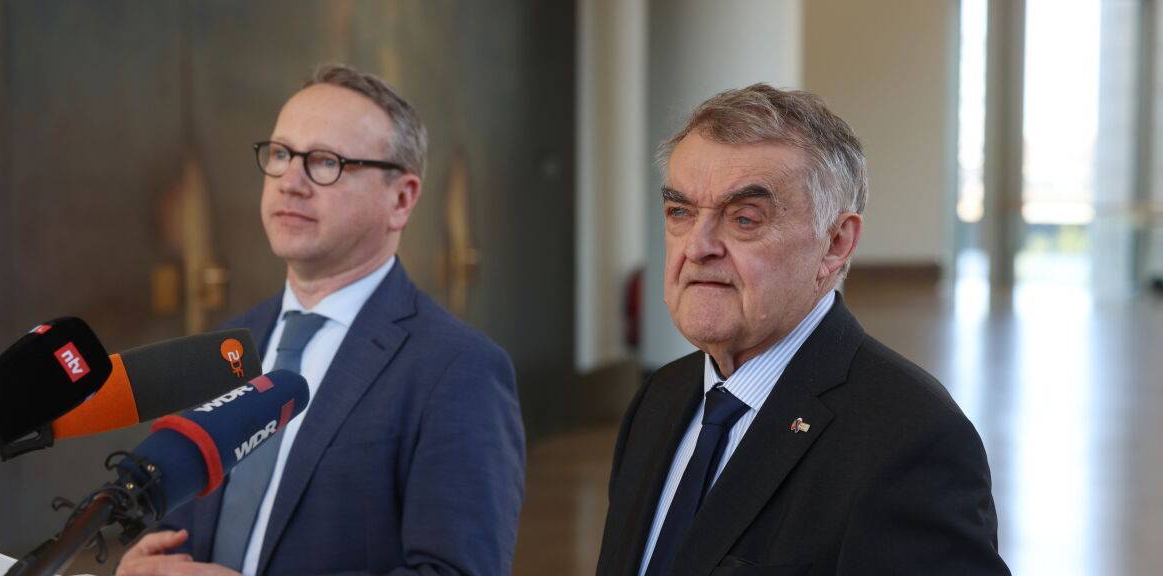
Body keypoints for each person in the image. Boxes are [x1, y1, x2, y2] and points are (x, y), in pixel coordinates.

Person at [116, 64, 526, 576]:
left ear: (401, 199)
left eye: (326, 162)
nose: (290, 181)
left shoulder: (459, 369)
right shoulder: (225, 349)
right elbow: (182, 530)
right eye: (282, 154)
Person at [595, 84, 1009, 575]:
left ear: (835, 244)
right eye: (680, 213)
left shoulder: (909, 439)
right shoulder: (660, 399)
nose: (697, 246)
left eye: (744, 218)